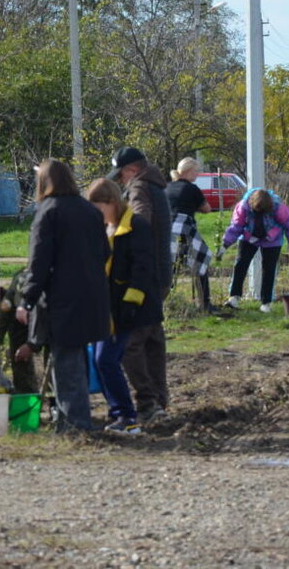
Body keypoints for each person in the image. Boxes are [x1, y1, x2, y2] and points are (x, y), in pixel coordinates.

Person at [16, 159, 111, 433]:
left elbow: (39, 262)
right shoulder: (89, 210)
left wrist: (27, 300)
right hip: (92, 298)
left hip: (63, 300)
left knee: (66, 365)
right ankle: (79, 419)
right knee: (78, 361)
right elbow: (105, 252)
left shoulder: (48, 212)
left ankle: (74, 426)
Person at [87, 178, 165, 434]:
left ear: (111, 202)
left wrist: (131, 303)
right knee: (102, 361)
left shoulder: (136, 227)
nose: (96, 214)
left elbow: (142, 269)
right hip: (108, 309)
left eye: (98, 208)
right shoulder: (104, 229)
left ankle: (129, 413)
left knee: (109, 359)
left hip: (132, 309)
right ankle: (121, 412)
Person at [107, 147, 172, 422]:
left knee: (132, 344)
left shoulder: (139, 189)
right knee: (153, 339)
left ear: (131, 170)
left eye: (121, 176)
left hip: (143, 276)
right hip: (160, 272)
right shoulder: (158, 186)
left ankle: (147, 402)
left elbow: (139, 220)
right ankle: (159, 398)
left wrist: (119, 232)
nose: (121, 181)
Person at [221, 187, 289, 313]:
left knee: (269, 269)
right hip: (249, 237)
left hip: (272, 239)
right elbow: (236, 226)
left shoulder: (278, 207)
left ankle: (266, 303)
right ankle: (234, 297)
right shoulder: (243, 207)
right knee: (241, 264)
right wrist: (225, 244)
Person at [165, 157, 214, 313]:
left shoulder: (166, 187)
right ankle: (204, 303)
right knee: (201, 258)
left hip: (166, 231)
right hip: (184, 229)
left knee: (171, 265)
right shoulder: (192, 189)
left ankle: (165, 303)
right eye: (196, 171)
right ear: (188, 171)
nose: (198, 174)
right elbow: (207, 209)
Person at [0, 266, 37, 394]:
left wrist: (32, 345)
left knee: (59, 361)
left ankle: (58, 402)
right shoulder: (17, 284)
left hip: (54, 321)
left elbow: (47, 324)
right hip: (23, 325)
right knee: (18, 352)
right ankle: (26, 396)